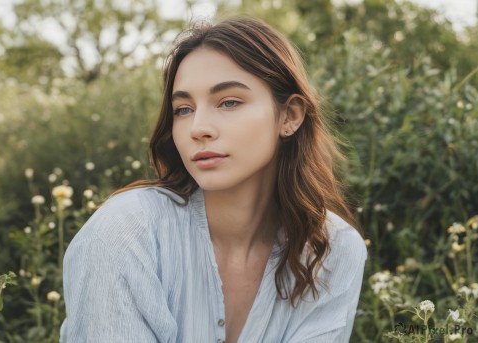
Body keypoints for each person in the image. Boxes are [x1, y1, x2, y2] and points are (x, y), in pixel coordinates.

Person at [60, 15, 367, 343]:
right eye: (183, 109)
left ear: (289, 116)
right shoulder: (124, 233)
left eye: (229, 102)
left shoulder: (333, 250)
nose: (197, 128)